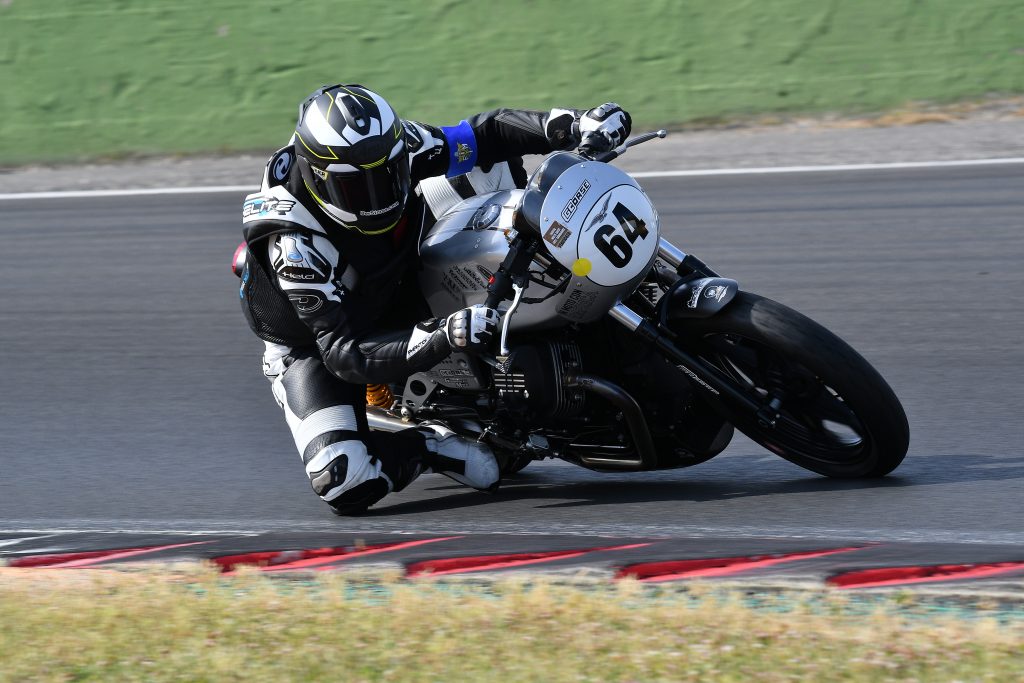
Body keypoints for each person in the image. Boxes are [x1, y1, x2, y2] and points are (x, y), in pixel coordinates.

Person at [236, 83, 631, 515]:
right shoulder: (295, 246)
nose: (379, 197)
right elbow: (344, 355)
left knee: (484, 166)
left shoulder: (397, 146)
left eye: (390, 177)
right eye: (357, 190)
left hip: (404, 271)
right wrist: (445, 335)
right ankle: (433, 445)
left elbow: (486, 135)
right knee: (343, 479)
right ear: (318, 178)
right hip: (322, 341)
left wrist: (574, 124)